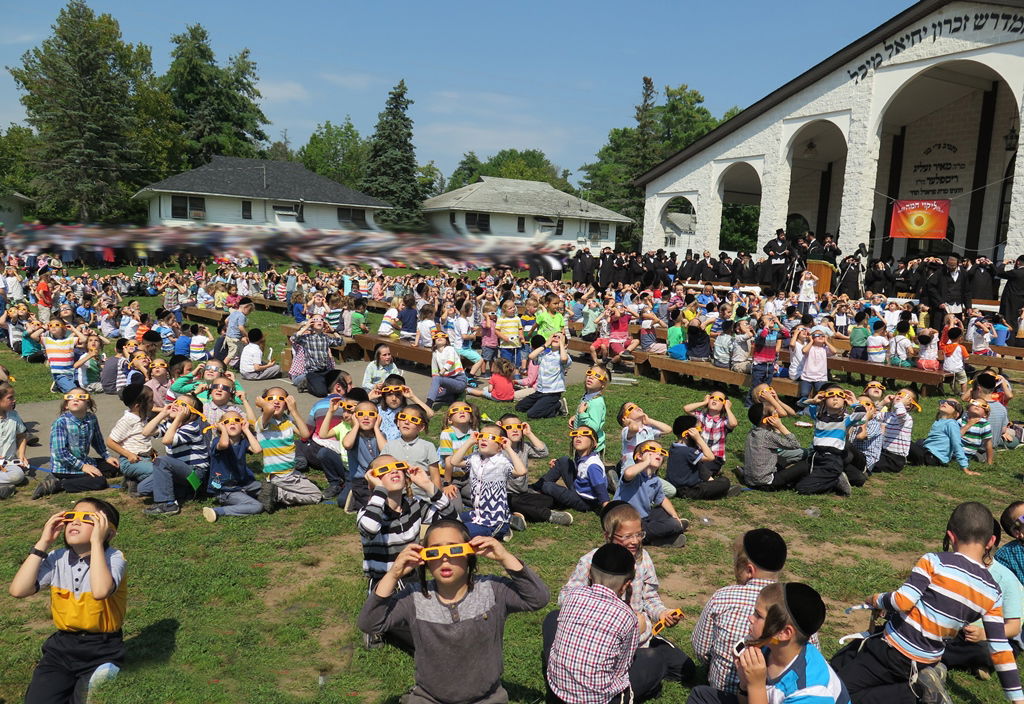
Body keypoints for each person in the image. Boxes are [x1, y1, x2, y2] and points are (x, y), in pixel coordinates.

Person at [832, 502, 1024, 704]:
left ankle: (915, 693)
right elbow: (1000, 648)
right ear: (991, 541)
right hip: (927, 661)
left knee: (835, 693)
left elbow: (902, 601)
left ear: (951, 536)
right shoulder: (993, 591)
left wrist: (877, 599)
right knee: (848, 666)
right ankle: (917, 689)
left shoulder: (934, 561)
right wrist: (1018, 699)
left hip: (892, 654)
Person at [356, 520, 549, 704]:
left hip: (487, 698)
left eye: (455, 549)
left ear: (469, 554)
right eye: (435, 552)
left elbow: (538, 598)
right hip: (429, 698)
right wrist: (394, 573)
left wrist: (505, 557)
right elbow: (370, 623)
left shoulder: (492, 590)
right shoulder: (414, 598)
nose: (445, 558)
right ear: (424, 559)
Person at [552, 502, 695, 699]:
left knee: (685, 669)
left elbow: (650, 597)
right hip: (603, 638)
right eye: (626, 536)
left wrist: (661, 613)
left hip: (640, 634)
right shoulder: (592, 561)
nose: (634, 541)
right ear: (607, 536)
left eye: (639, 534)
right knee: (651, 662)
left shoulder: (643, 559)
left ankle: (644, 665)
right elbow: (565, 598)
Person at [9, 498, 127, 704]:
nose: (75, 521)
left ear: (108, 531)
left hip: (102, 647)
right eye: (71, 516)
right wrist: (43, 543)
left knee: (85, 698)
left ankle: (102, 674)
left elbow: (100, 591)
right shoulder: (57, 558)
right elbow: (18, 590)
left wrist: (97, 544)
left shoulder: (114, 557)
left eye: (87, 518)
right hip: (62, 647)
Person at [689, 582, 848, 704]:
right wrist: (745, 684)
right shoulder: (768, 647)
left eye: (758, 615)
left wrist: (756, 685)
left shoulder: (812, 690)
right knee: (702, 696)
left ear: (784, 633)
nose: (750, 618)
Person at [691, 529, 790, 694]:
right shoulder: (793, 606)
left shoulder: (723, 598)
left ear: (749, 570)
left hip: (724, 692)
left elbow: (701, 649)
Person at [546, 543, 640, 704]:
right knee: (657, 660)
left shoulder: (572, 596)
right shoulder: (627, 616)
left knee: (551, 618)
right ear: (626, 585)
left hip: (557, 688)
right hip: (597, 697)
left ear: (589, 573)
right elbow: (622, 668)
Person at [942, 518, 1022, 681]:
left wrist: (985, 634)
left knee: (987, 651)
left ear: (990, 544)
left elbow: (1014, 628)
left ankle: (935, 657)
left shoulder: (1006, 579)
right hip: (951, 629)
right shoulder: (948, 566)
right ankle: (962, 661)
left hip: (984, 636)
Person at [35, 389, 119, 498]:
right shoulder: (61, 423)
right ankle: (57, 484)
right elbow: (61, 453)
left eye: (81, 397)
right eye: (70, 398)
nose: (75, 399)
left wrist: (107, 456)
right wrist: (83, 467)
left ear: (87, 404)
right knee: (99, 482)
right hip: (65, 467)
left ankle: (79, 476)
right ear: (66, 405)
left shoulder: (91, 418)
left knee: (114, 466)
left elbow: (97, 441)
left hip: (83, 461)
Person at [448, 425, 527, 539]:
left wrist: (508, 448)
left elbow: (521, 471)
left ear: (500, 446)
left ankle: (503, 529)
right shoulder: (474, 458)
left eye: (490, 437)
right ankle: (511, 520)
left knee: (457, 534)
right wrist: (469, 442)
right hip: (477, 515)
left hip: (492, 523)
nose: (484, 439)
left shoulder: (502, 463)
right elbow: (454, 461)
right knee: (449, 522)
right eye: (481, 436)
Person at [254, 388, 323, 511]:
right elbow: (269, 410)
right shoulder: (264, 422)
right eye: (271, 399)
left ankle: (273, 490)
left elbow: (305, 434)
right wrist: (263, 404)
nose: (276, 402)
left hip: (290, 473)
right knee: (316, 495)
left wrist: (294, 410)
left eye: (281, 399)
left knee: (308, 486)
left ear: (287, 403)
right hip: (280, 475)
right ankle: (278, 494)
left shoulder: (287, 420)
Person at [614, 440, 688, 547]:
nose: (658, 454)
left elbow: (662, 499)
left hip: (643, 518)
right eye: (652, 450)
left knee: (664, 513)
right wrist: (645, 463)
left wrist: (674, 515)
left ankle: (660, 536)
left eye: (661, 452)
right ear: (639, 456)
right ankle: (659, 535)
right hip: (624, 520)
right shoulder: (635, 474)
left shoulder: (655, 480)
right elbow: (628, 473)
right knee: (672, 525)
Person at [535, 425, 609, 514]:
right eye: (575, 434)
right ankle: (536, 487)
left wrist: (607, 508)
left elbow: (600, 488)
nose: (578, 436)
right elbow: (580, 470)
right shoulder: (582, 456)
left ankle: (539, 490)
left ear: (594, 443)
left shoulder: (592, 466)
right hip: (577, 488)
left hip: (585, 501)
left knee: (548, 486)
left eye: (585, 433)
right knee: (563, 461)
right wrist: (558, 463)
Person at [741, 404, 806, 490]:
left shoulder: (752, 432)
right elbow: (795, 445)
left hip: (749, 480)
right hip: (766, 482)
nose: (778, 416)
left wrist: (775, 429)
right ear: (767, 420)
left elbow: (773, 442)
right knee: (804, 466)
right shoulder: (768, 436)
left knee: (781, 460)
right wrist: (781, 427)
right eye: (774, 414)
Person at [516, 333, 571, 420]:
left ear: (565, 344)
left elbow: (564, 359)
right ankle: (543, 404)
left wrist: (562, 345)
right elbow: (531, 356)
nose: (556, 338)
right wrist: (545, 344)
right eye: (554, 336)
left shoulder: (563, 356)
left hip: (552, 393)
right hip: (540, 391)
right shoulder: (545, 355)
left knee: (532, 414)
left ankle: (558, 405)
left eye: (559, 337)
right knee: (519, 407)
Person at [907, 398, 970, 473]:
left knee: (905, 442)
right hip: (927, 453)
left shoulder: (951, 423)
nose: (945, 403)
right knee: (919, 441)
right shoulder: (939, 422)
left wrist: (964, 466)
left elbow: (957, 444)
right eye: (944, 401)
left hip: (932, 458)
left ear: (957, 414)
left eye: (951, 403)